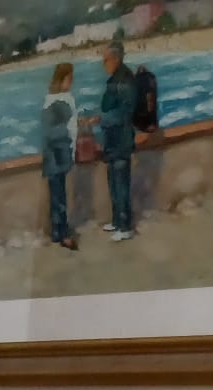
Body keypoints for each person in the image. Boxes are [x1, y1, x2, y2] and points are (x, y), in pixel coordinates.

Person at [97, 41, 138, 241]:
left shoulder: (125, 80)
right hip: (112, 140)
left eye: (105, 60)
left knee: (121, 184)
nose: (103, 64)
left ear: (116, 59)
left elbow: (125, 112)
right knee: (113, 182)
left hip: (121, 139)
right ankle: (116, 221)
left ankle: (125, 226)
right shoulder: (116, 78)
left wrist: (101, 119)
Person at [42, 63, 80, 251]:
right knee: (58, 197)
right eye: (69, 79)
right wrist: (67, 131)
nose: (71, 82)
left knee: (59, 195)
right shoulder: (54, 101)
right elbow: (49, 131)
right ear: (61, 79)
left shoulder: (62, 99)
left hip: (60, 155)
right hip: (56, 156)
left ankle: (60, 232)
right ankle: (61, 234)